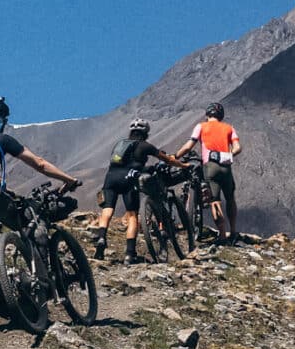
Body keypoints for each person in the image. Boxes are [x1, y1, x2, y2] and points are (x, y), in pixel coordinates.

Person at [0, 97, 84, 330]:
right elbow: (39, 163)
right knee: (28, 223)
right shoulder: (0, 139)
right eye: (4, 119)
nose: (5, 123)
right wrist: (68, 179)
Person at [91, 119, 180, 263]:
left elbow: (125, 163)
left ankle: (101, 238)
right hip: (128, 180)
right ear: (146, 133)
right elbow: (166, 159)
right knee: (132, 215)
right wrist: (182, 164)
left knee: (107, 211)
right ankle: (129, 254)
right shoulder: (145, 146)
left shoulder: (120, 144)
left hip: (110, 178)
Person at [184, 101, 242, 241]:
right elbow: (238, 147)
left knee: (215, 201)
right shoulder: (229, 128)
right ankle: (233, 231)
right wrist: (229, 155)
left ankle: (222, 235)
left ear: (207, 114)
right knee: (230, 199)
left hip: (210, 167)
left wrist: (176, 156)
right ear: (221, 115)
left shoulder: (201, 126)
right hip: (226, 167)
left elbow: (189, 145)